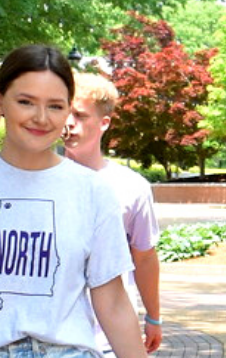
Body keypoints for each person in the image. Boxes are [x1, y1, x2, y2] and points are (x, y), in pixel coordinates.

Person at [0, 45, 146, 358]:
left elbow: (113, 301)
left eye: (55, 106)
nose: (41, 118)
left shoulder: (94, 192)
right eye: (26, 102)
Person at [60, 72, 163, 353]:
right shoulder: (38, 180)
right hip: (52, 339)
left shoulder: (132, 187)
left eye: (80, 115)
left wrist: (153, 317)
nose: (69, 122)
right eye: (64, 112)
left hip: (108, 339)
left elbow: (144, 257)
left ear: (104, 123)